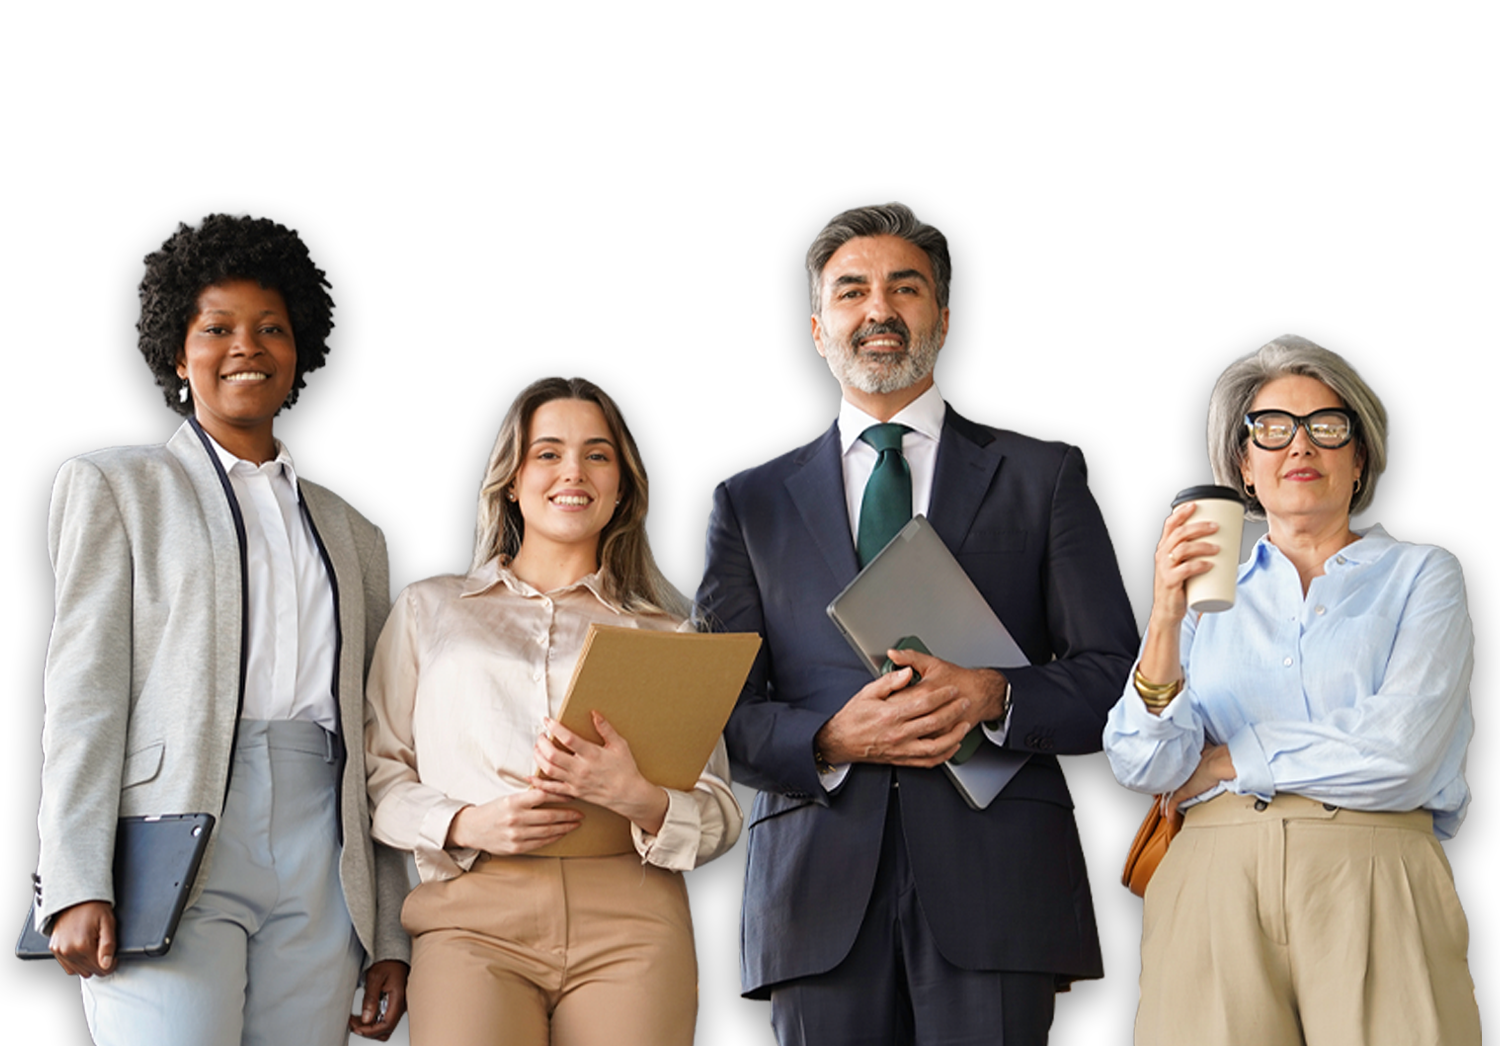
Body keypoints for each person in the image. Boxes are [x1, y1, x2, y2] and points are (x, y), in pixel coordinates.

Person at [693, 202, 1140, 1044]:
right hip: (814, 892)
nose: (879, 309)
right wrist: (829, 739)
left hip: (1002, 885)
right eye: (852, 290)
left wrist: (993, 695)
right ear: (818, 327)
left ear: (943, 316)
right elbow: (717, 714)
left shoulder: (1045, 475)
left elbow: (1117, 678)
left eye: (906, 287)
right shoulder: (747, 503)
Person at [35, 212, 410, 1044]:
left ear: (298, 351)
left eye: (271, 328)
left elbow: (383, 738)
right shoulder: (114, 486)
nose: (248, 345)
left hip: (324, 850)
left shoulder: (354, 533)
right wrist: (71, 876)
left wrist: (389, 930)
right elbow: (84, 696)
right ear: (178, 351)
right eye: (219, 328)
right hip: (167, 845)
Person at [1103, 334, 1480, 1046]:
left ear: (1359, 454)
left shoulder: (1422, 576)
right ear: (1244, 465)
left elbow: (1401, 754)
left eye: (1326, 427)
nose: (1299, 447)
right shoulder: (1203, 602)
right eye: (1272, 430)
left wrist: (1224, 760)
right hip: (1211, 878)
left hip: (1379, 874)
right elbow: (1140, 763)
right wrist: (1164, 614)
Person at [364, 375, 743, 1046]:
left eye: (598, 454)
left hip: (634, 917)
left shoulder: (672, 631)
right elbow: (378, 777)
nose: (574, 471)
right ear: (512, 479)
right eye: (548, 452)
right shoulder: (430, 608)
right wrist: (465, 820)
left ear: (622, 484)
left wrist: (640, 798)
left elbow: (719, 811)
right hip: (471, 915)